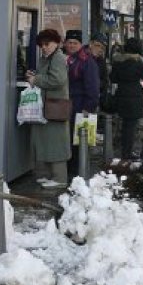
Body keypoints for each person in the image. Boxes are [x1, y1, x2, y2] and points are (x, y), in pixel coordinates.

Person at [25, 29, 71, 189]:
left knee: (56, 143)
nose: (44, 47)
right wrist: (34, 76)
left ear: (56, 43)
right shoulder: (46, 58)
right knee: (45, 142)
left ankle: (60, 178)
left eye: (47, 44)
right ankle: (49, 175)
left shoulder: (57, 58)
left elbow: (57, 79)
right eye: (42, 44)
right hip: (47, 106)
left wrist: (36, 79)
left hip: (54, 107)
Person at [64, 29, 100, 177]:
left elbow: (92, 86)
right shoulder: (67, 58)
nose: (71, 45)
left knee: (77, 141)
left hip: (79, 106)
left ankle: (76, 174)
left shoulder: (86, 61)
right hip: (67, 105)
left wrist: (88, 107)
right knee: (70, 139)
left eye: (75, 43)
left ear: (80, 44)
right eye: (69, 42)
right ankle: (71, 171)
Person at [110, 38, 143, 160]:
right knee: (130, 127)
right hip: (134, 97)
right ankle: (127, 153)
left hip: (121, 95)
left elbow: (113, 78)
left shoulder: (118, 62)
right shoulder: (138, 62)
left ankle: (120, 150)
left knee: (122, 125)